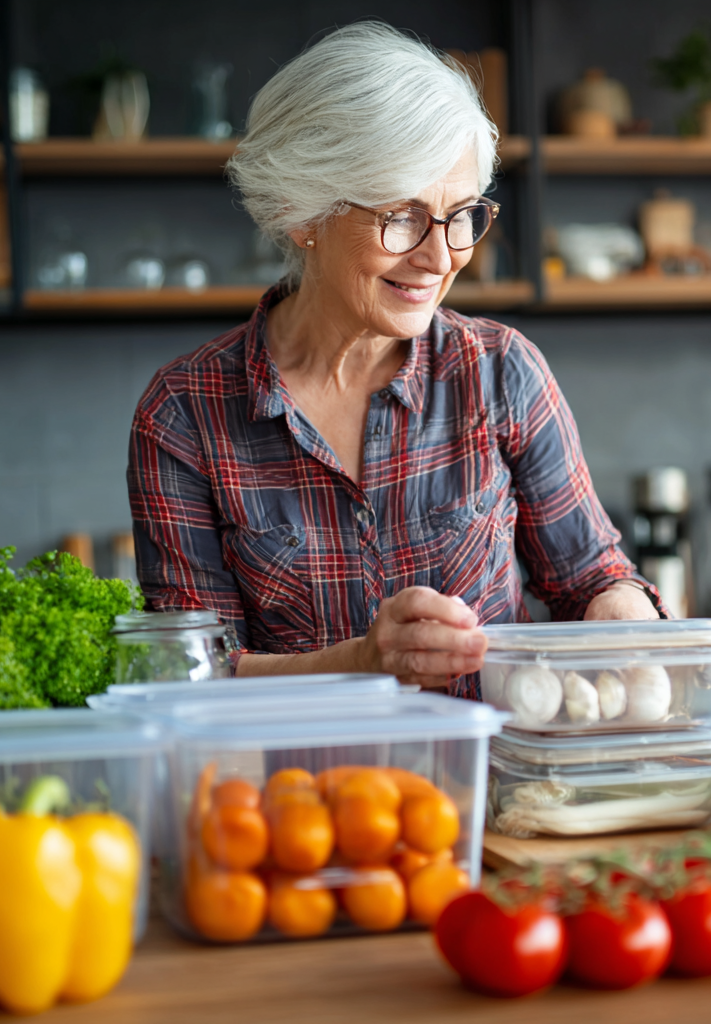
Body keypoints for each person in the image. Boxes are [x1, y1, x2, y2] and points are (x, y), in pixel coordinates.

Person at [128, 22, 662, 698]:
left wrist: (625, 625)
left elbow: (591, 578)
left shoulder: (500, 373)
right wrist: (362, 661)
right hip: (302, 799)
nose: (440, 259)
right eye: (401, 217)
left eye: (461, 214)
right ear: (302, 212)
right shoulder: (184, 414)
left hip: (492, 795)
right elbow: (189, 673)